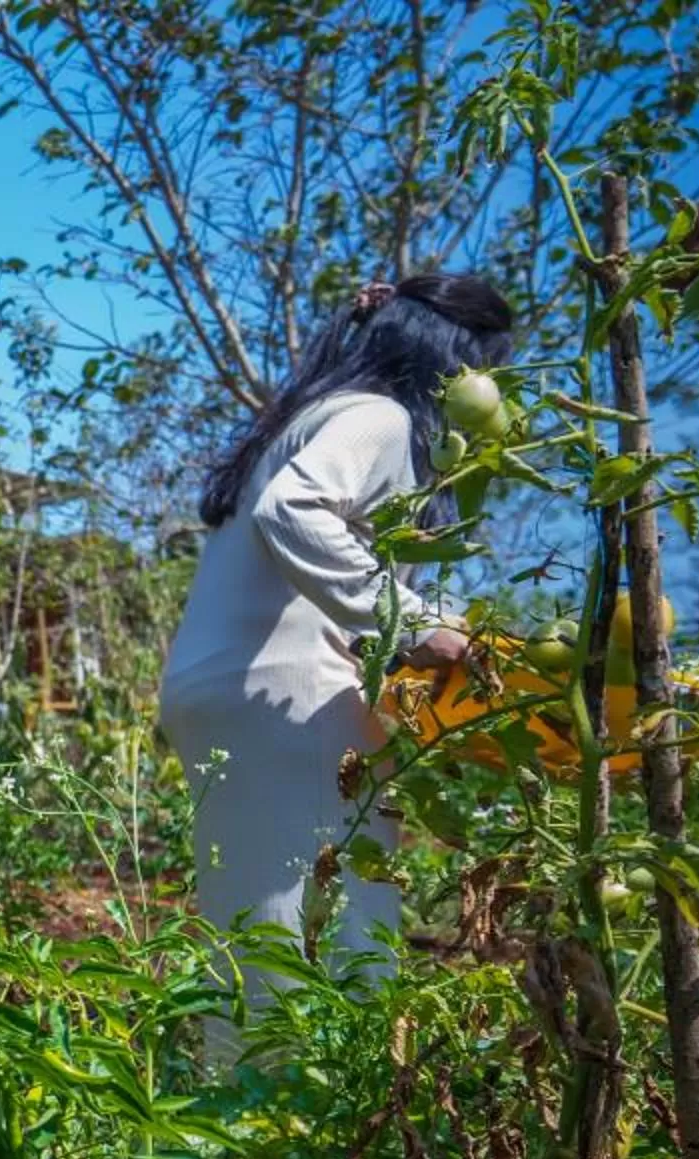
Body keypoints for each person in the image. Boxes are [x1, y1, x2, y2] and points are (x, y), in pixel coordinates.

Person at [159, 273, 516, 1063]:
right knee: (339, 925)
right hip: (287, 694)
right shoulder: (379, 418)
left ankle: (241, 1111)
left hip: (224, 691)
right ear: (457, 364)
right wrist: (420, 627)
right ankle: (310, 1123)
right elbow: (295, 509)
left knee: (256, 924)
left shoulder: (314, 411)